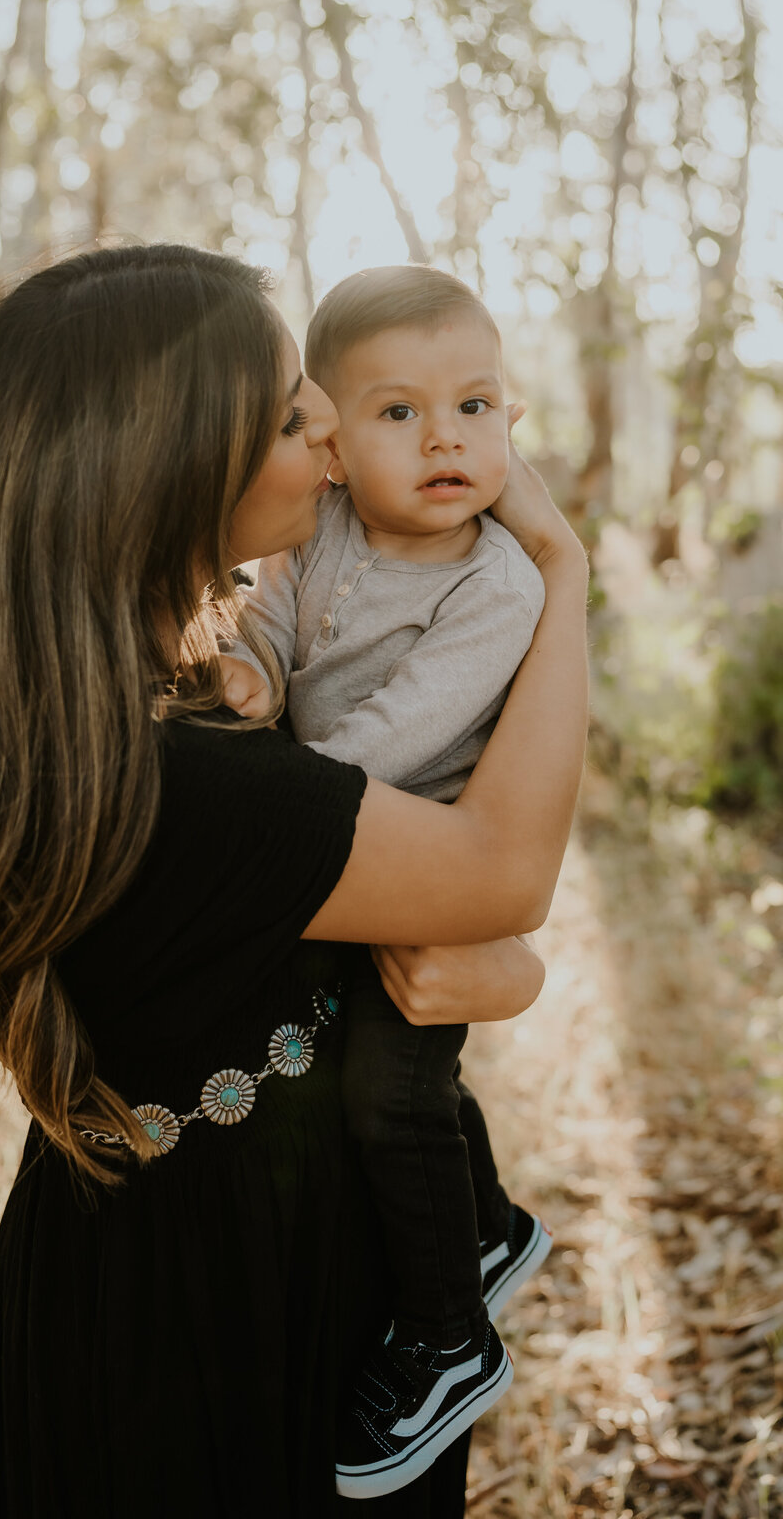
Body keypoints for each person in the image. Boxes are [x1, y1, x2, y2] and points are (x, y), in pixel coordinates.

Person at [0, 243, 589, 1517]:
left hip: (158, 1247)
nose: (325, 426)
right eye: (292, 404)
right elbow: (500, 875)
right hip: (233, 1298)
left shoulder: (100, 717)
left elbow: (410, 929)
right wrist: (566, 575)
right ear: (180, 463)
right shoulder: (192, 781)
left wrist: (492, 964)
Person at [221, 265, 558, 1498]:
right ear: (331, 441)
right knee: (378, 1066)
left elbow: (409, 731)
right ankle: (486, 1226)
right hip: (340, 856)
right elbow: (266, 618)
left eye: (475, 405)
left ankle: (448, 1340)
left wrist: (280, 795)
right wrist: (252, 672)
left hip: (422, 870)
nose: (446, 439)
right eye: (399, 413)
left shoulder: (496, 584)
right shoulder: (321, 534)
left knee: (390, 1086)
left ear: (511, 422)